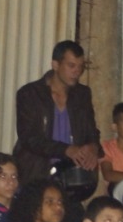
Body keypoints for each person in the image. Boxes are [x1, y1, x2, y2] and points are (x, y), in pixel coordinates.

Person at [14, 40, 101, 185]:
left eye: (80, 67)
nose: (77, 72)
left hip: (71, 174)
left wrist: (93, 147)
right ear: (55, 65)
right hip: (37, 172)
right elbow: (29, 137)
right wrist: (66, 150)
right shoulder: (30, 94)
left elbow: (91, 131)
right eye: (71, 66)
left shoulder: (82, 94)